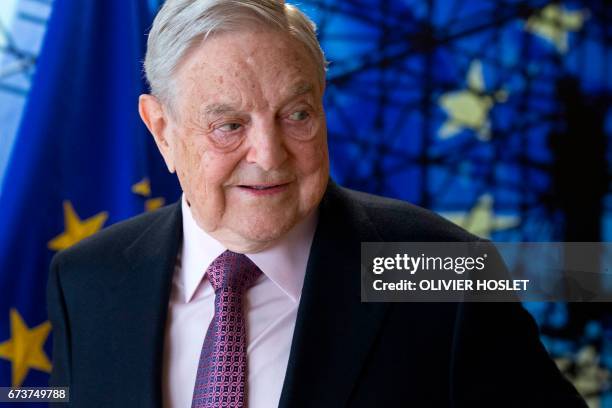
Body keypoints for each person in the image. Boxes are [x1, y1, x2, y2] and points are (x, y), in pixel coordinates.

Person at [47, 0, 587, 407]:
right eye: (229, 125)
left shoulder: (444, 272)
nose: (269, 154)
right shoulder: (87, 280)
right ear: (161, 131)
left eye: (297, 114)